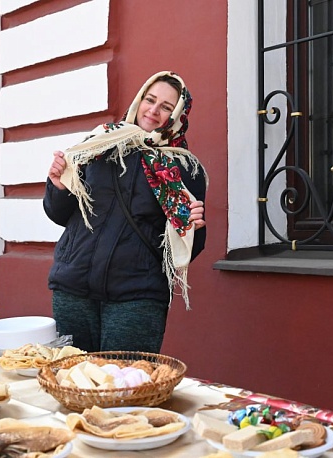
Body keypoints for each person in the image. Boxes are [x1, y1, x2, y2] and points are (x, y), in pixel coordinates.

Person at [43, 71, 207, 353]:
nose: (154, 110)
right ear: (139, 99)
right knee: (71, 385)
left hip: (136, 299)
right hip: (73, 289)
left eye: (166, 107)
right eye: (150, 99)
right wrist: (58, 186)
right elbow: (61, 215)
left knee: (124, 389)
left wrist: (195, 228)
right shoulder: (98, 145)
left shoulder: (182, 168)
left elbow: (185, 249)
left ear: (178, 114)